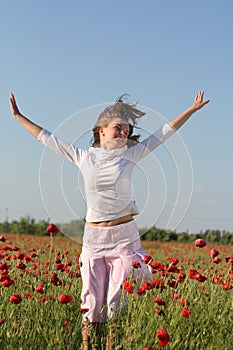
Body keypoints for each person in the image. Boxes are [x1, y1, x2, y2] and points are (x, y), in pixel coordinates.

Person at [9, 91, 210, 349]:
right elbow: (47, 138)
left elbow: (164, 133)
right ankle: (87, 346)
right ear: (101, 130)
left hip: (125, 238)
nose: (124, 133)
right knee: (90, 299)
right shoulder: (84, 157)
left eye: (127, 130)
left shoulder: (132, 153)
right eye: (118, 128)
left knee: (118, 300)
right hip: (93, 239)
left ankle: (112, 346)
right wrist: (18, 116)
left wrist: (191, 110)